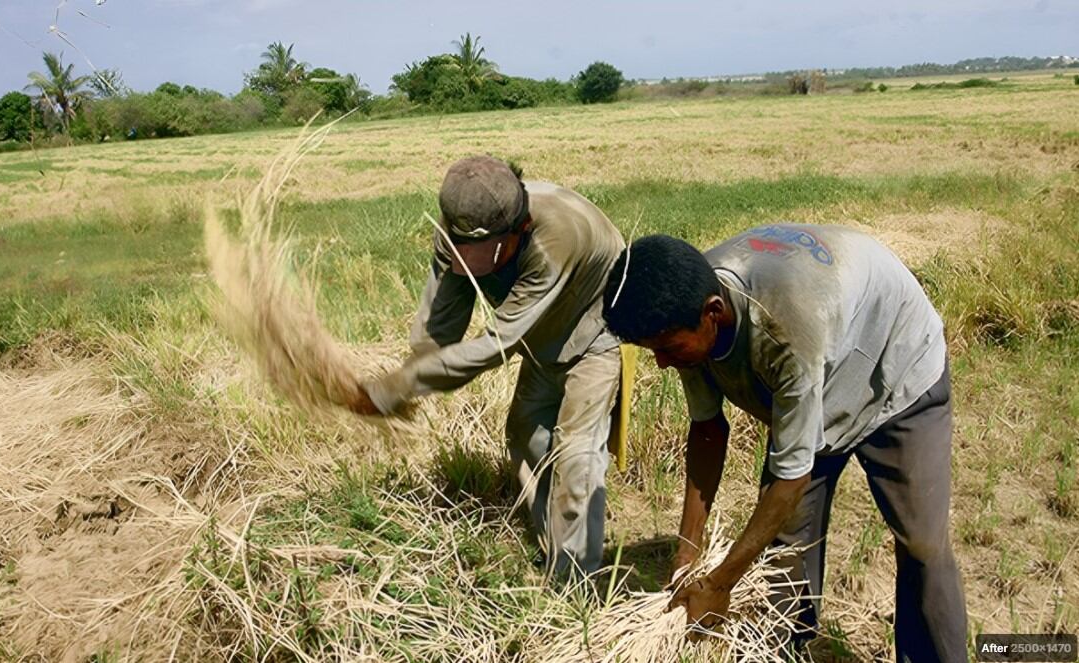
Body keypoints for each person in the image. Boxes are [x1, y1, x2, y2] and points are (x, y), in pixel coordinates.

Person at [601, 225, 968, 662]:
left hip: (893, 371)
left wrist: (719, 586)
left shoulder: (783, 326)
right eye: (652, 351)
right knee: (785, 550)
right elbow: (707, 430)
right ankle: (788, 649)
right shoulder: (684, 304)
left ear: (713, 313)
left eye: (667, 349)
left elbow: (791, 480)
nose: (661, 363)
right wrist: (689, 554)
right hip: (819, 372)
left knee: (922, 543)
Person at [349, 155, 625, 578]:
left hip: (595, 331)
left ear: (518, 232)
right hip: (540, 339)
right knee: (526, 435)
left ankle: (576, 583)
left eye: (477, 253)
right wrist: (411, 384)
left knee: (576, 459)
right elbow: (438, 325)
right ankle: (554, 546)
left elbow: (497, 344)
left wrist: (394, 387)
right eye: (458, 249)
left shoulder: (555, 240)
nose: (462, 260)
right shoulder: (457, 225)